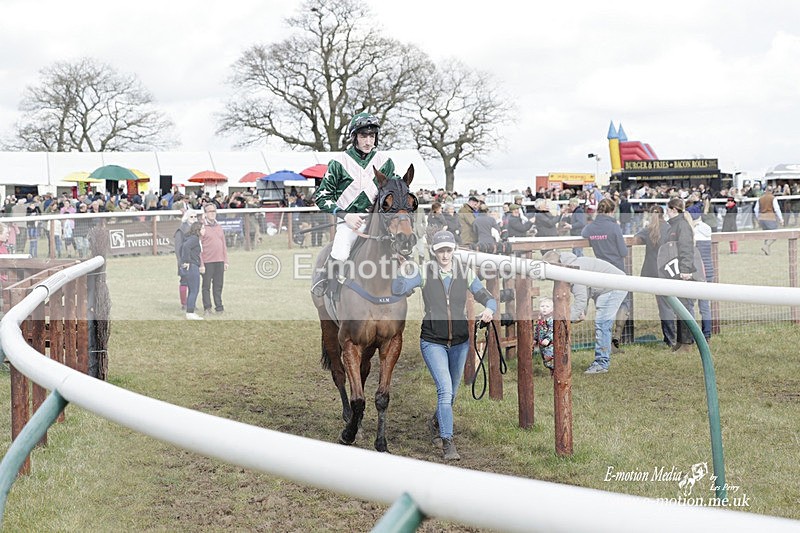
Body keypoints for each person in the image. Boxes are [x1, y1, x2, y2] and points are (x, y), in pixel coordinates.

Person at [392, 231, 496, 461]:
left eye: (448, 250)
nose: (445, 254)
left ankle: (435, 422)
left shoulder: (465, 273)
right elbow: (397, 289)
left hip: (460, 342)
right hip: (432, 341)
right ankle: (448, 442)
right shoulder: (424, 272)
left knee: (452, 394)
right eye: (441, 250)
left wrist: (489, 310)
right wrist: (403, 271)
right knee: (445, 391)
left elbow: (488, 297)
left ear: (454, 250)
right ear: (434, 251)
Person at [311, 112, 397, 296]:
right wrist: (345, 215)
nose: (368, 141)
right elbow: (321, 196)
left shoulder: (385, 163)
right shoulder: (339, 163)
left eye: (372, 136)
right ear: (354, 137)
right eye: (363, 136)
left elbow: (393, 193)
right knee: (341, 252)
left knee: (399, 249)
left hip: (378, 223)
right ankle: (330, 290)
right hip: (350, 223)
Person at [542, 251, 627, 374]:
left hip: (615, 286)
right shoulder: (570, 265)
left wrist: (566, 320)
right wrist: (582, 312)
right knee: (601, 324)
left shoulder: (573, 272)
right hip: (609, 285)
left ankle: (601, 364)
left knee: (602, 324)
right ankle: (602, 361)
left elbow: (581, 299)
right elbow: (585, 292)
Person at [632, 206, 677, 348]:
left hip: (653, 271)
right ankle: (672, 337)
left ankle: (671, 338)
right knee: (669, 304)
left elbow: (635, 238)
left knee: (664, 306)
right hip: (668, 270)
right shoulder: (669, 227)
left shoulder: (649, 230)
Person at [663, 197, 697, 351]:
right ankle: (681, 341)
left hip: (682, 271)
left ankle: (687, 342)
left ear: (673, 210)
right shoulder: (675, 225)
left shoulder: (681, 225)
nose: (666, 213)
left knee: (685, 307)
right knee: (679, 307)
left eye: (668, 210)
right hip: (674, 271)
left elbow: (686, 248)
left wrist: (685, 269)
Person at [581, 198, 627, 272]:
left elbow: (583, 233)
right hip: (617, 267)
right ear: (611, 212)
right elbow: (623, 252)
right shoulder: (614, 227)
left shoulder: (590, 227)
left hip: (601, 268)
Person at [200, 202, 228, 314]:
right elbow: (198, 246)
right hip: (207, 261)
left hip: (219, 261)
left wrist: (225, 260)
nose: (212, 213)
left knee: (218, 286)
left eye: (214, 211)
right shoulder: (201, 227)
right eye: (210, 211)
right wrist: (201, 264)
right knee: (206, 286)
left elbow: (223, 244)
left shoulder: (219, 226)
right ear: (205, 213)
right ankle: (207, 308)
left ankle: (219, 307)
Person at [180, 221, 205, 320]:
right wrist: (186, 261)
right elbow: (185, 247)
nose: (204, 230)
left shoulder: (195, 239)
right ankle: (190, 312)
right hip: (192, 266)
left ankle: (190, 311)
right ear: (198, 230)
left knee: (192, 289)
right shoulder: (194, 239)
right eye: (203, 228)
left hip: (193, 265)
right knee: (194, 290)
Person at [174, 210, 198, 311]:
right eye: (191, 217)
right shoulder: (181, 230)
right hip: (184, 260)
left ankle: (191, 303)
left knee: (193, 283)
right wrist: (181, 262)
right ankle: (184, 303)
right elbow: (178, 247)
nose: (194, 219)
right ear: (186, 218)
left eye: (195, 217)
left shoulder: (196, 229)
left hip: (194, 260)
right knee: (184, 281)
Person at [754, 185, 783, 255]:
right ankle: (766, 246)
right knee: (775, 235)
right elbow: (777, 209)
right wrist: (781, 218)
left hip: (762, 218)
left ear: (765, 191)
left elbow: (755, 209)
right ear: (772, 191)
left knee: (766, 235)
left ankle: (767, 251)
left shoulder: (760, 198)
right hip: (770, 218)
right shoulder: (773, 198)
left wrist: (758, 218)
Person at [533, 297, 554, 371]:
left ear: (552, 309)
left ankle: (556, 371)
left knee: (549, 358)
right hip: (542, 344)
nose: (544, 308)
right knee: (545, 361)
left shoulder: (551, 320)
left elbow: (552, 330)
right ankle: (553, 371)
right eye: (542, 306)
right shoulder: (541, 319)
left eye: (547, 306)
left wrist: (548, 339)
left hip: (550, 344)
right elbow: (537, 329)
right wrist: (535, 339)